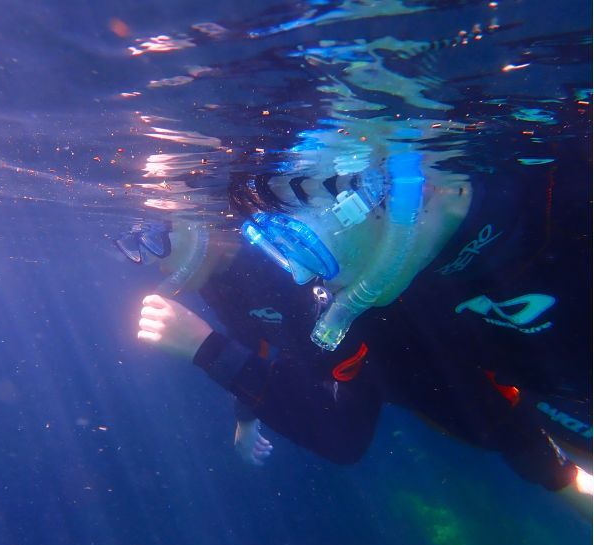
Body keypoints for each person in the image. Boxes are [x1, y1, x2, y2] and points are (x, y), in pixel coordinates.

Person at [125, 147, 593, 512]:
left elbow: (342, 427)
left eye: (300, 241)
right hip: (526, 409)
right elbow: (267, 342)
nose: (303, 277)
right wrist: (242, 401)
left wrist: (211, 354)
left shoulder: (550, 199)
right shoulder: (381, 293)